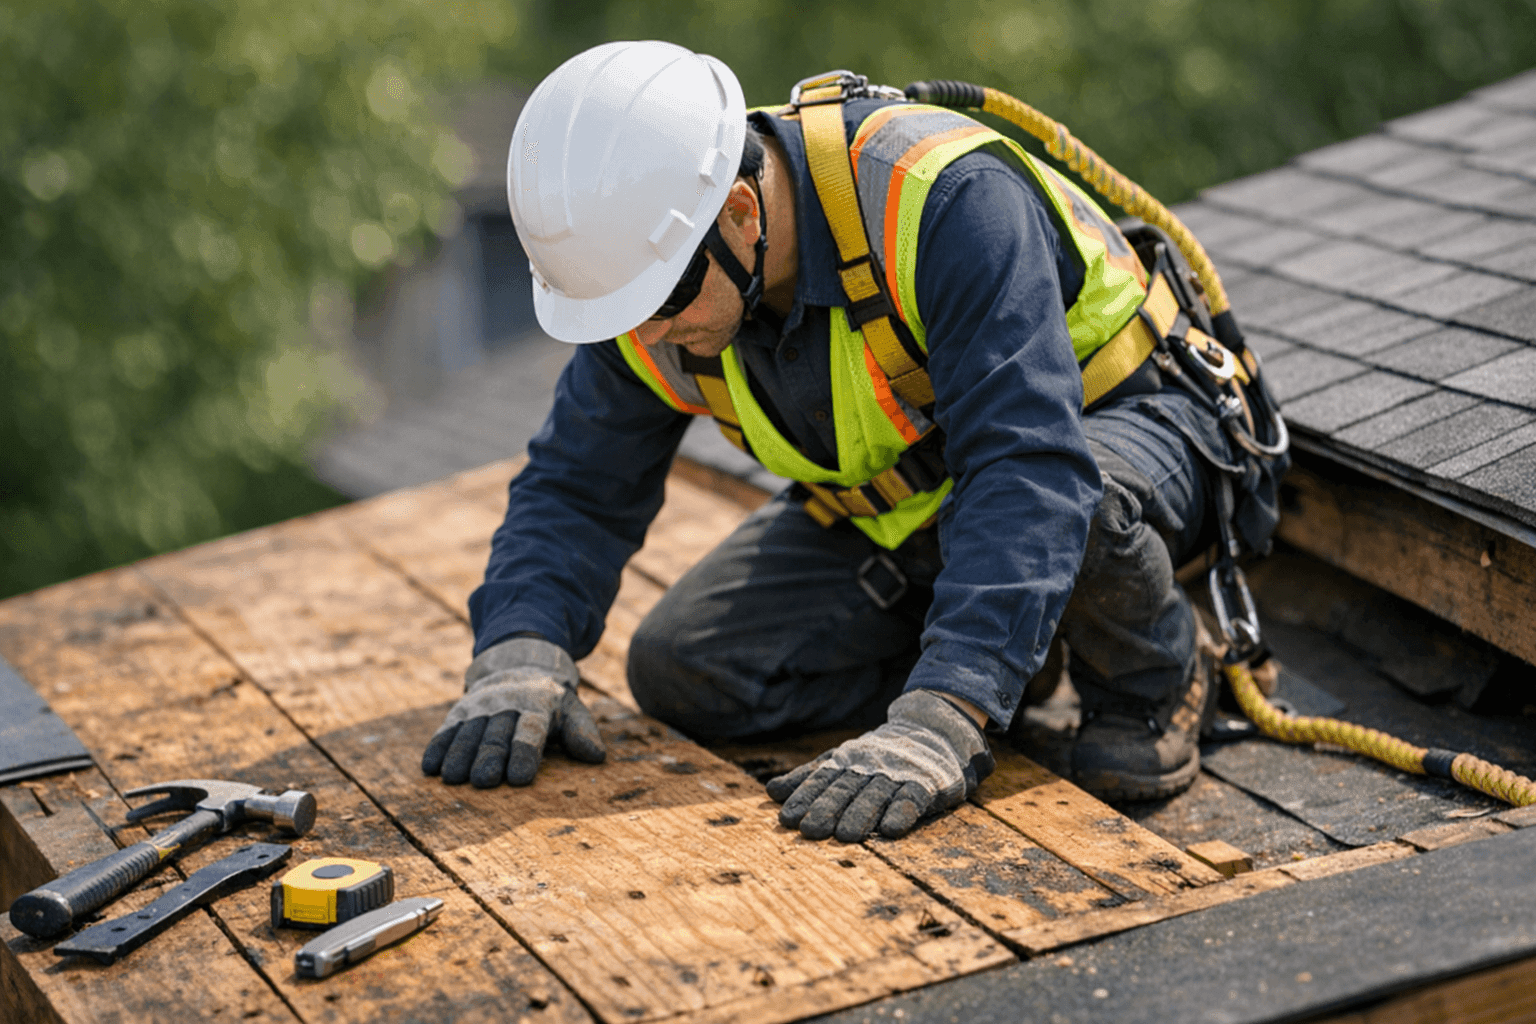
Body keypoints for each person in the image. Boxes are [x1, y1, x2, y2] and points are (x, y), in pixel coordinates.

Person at [420, 41, 1285, 842]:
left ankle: (1157, 680)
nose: (647, 335)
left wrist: (943, 717)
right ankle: (1018, 643)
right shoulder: (659, 284)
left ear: (740, 212)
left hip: (1127, 430)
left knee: (1087, 514)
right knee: (688, 670)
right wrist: (521, 649)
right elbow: (577, 483)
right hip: (927, 498)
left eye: (663, 304)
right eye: (623, 312)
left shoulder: (943, 202)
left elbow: (1028, 464)